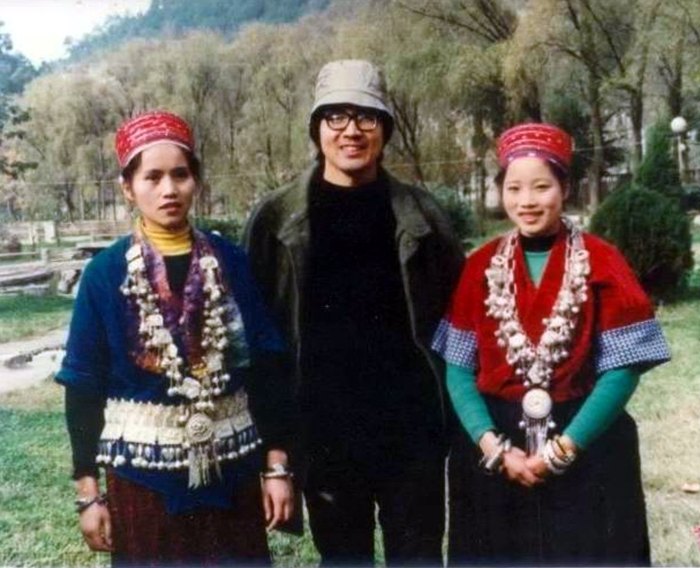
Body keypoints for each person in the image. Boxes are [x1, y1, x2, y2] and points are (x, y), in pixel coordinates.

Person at [244, 59, 464, 566]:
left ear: (385, 129)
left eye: (366, 116)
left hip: (412, 430)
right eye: (336, 116)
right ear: (316, 128)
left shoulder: (423, 215)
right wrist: (275, 445)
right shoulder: (276, 219)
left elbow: (458, 324)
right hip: (326, 432)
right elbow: (258, 340)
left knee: (419, 557)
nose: (351, 131)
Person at [56, 110, 296, 566]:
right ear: (128, 188)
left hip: (233, 470)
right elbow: (83, 387)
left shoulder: (231, 262)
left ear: (196, 181)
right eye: (152, 177)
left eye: (180, 175)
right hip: (143, 481)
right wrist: (88, 492)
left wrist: (277, 465)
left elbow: (267, 368)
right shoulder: (105, 274)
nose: (169, 189)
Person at [433, 122, 671, 566]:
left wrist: (565, 449)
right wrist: (493, 448)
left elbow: (622, 369)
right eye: (514, 188)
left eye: (541, 186)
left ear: (565, 188)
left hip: (586, 441)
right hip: (495, 448)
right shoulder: (479, 266)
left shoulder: (602, 261)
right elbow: (459, 368)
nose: (527, 201)